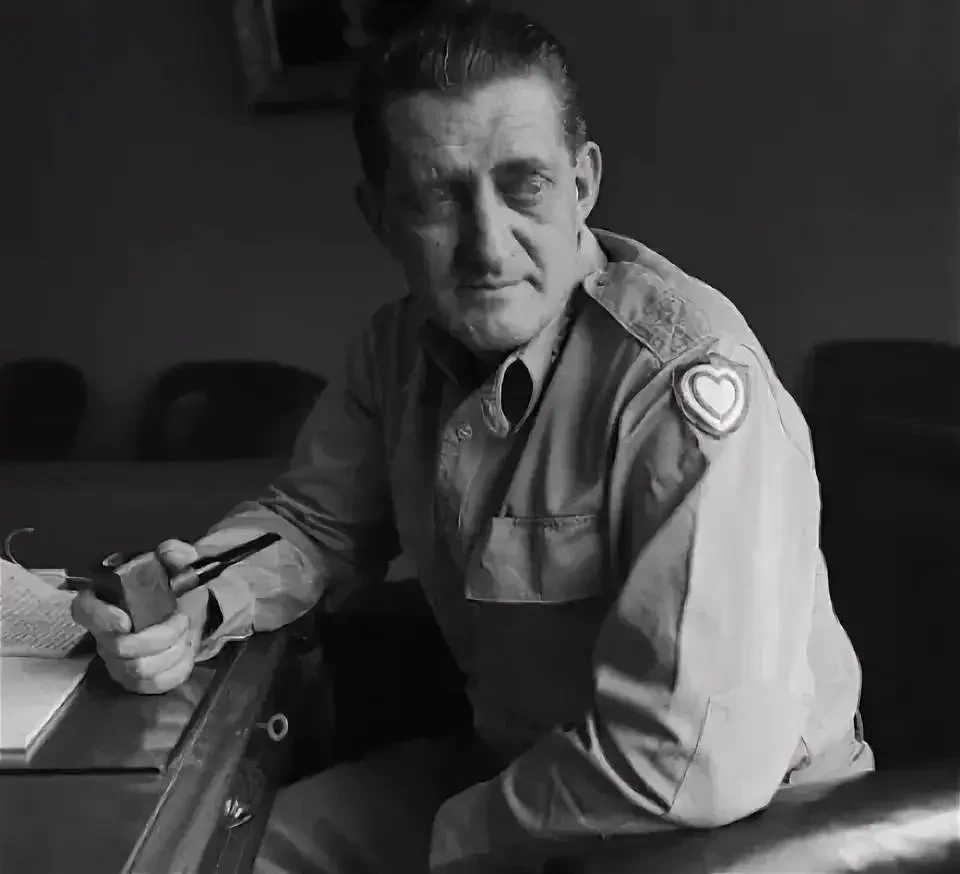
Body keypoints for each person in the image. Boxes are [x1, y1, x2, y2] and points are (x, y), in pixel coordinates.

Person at [71, 4, 873, 873]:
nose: (488, 247)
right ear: (380, 216)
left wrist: (450, 842)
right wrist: (199, 599)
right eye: (437, 198)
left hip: (731, 832)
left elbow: (691, 765)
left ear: (583, 185)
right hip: (534, 773)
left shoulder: (680, 385)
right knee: (218, 854)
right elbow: (314, 522)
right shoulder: (393, 352)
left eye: (525, 185)